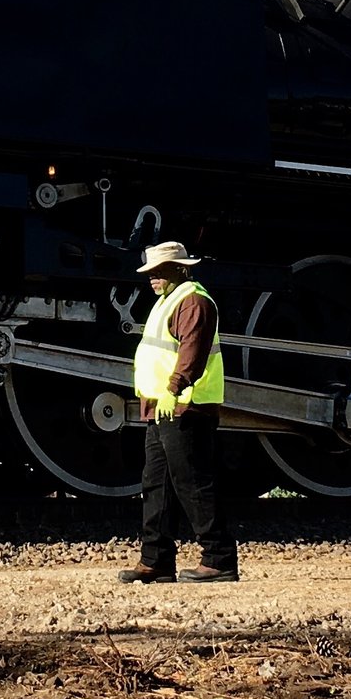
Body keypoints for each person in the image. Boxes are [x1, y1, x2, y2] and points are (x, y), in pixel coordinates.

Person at [118, 239, 236, 584]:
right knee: (157, 484)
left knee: (192, 482)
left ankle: (219, 559)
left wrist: (174, 388)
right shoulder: (169, 300)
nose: (152, 278)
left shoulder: (194, 301)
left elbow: (192, 352)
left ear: (179, 269)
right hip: (162, 407)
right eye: (150, 273)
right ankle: (155, 560)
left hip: (186, 405)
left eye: (158, 272)